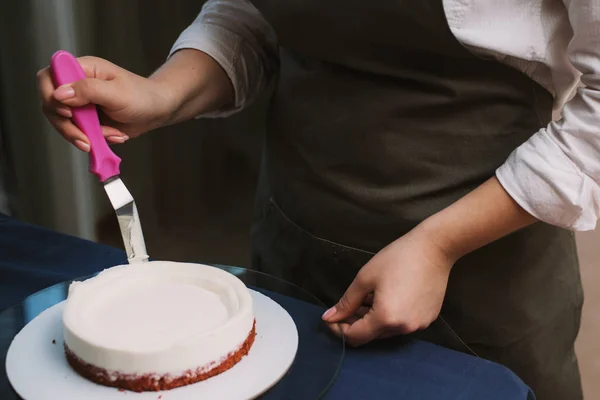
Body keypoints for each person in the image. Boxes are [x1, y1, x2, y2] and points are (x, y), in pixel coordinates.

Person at [37, 1, 599, 398]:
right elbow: (253, 16)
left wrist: (439, 245)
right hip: (295, 244)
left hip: (484, 274)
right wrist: (162, 94)